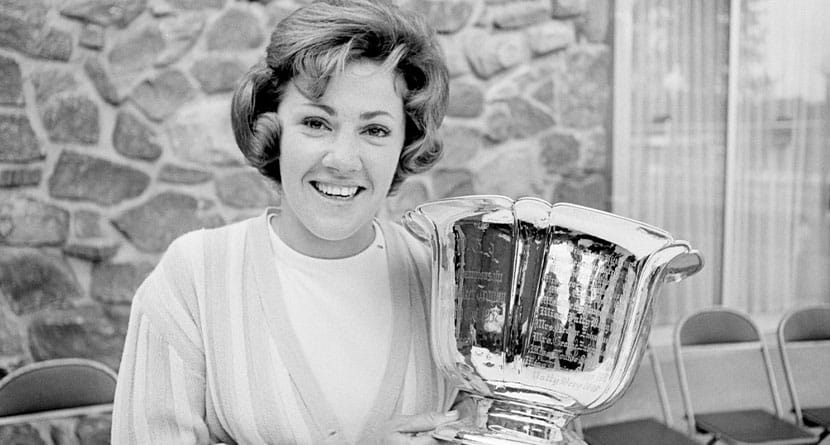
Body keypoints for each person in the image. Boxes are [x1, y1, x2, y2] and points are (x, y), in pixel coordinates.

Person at [111, 0, 459, 443]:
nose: (343, 160)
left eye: (375, 130)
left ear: (405, 144)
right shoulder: (194, 278)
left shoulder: (443, 282)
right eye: (316, 123)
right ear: (274, 128)